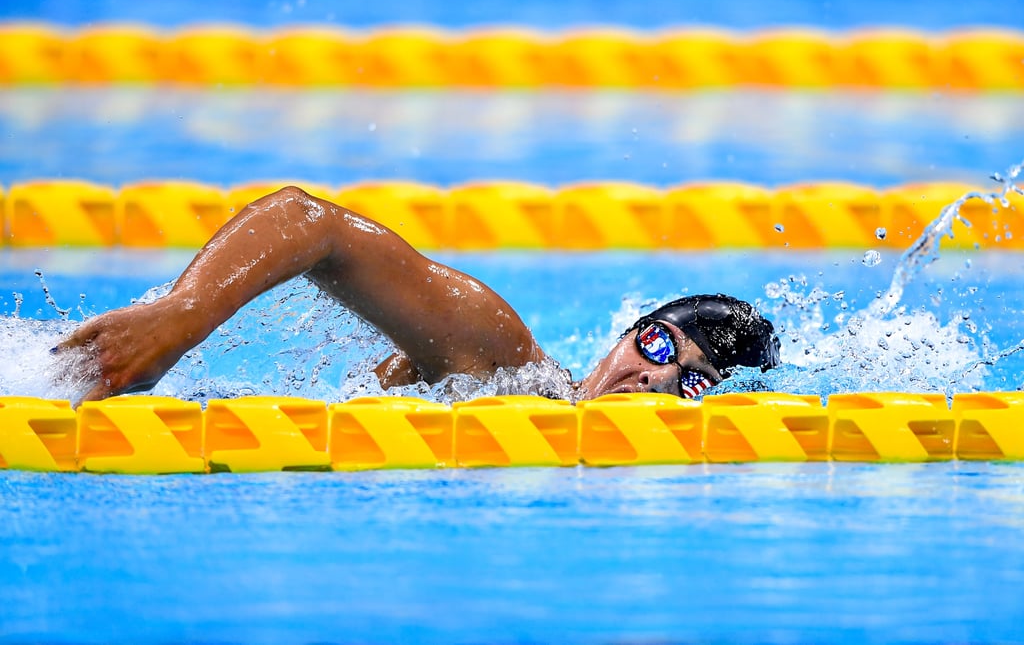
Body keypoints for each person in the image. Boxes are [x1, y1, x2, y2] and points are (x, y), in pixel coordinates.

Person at [57, 186, 780, 403]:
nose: (654, 376)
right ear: (625, 335)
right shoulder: (506, 365)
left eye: (689, 384)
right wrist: (182, 317)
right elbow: (308, 222)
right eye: (657, 346)